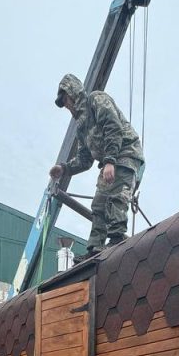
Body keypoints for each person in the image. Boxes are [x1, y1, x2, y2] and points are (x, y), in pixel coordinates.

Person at [50, 73, 144, 256]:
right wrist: (64, 168)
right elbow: (85, 159)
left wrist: (110, 161)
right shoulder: (81, 127)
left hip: (125, 153)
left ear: (74, 93)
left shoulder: (96, 99)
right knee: (99, 204)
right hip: (110, 161)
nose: (66, 105)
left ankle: (117, 239)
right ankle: (95, 248)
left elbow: (113, 127)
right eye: (63, 102)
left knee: (117, 196)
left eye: (66, 99)